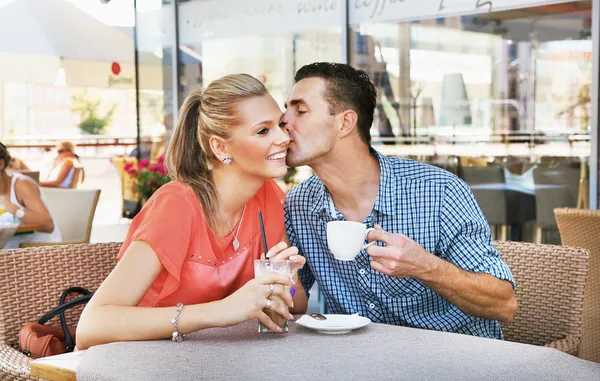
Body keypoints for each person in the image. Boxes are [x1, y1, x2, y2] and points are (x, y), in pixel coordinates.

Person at [280, 63, 517, 339]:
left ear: (344, 123)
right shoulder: (298, 204)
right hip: (359, 364)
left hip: (456, 362)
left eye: (300, 110)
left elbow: (504, 304)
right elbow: (297, 297)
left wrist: (425, 266)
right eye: (286, 109)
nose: (283, 120)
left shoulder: (438, 192)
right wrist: (286, 283)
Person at [76, 74, 307, 350]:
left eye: (281, 124)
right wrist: (219, 311)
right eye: (263, 131)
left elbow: (298, 302)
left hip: (215, 359)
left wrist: (284, 282)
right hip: (137, 361)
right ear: (221, 148)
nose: (283, 138)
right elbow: (91, 326)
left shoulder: (267, 197)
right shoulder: (177, 205)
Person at [0, 143, 61, 248]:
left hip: (38, 254)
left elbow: (48, 225)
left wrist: (15, 209)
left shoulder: (21, 184)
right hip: (10, 255)